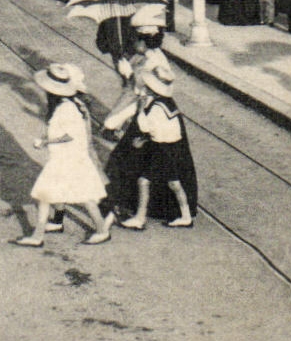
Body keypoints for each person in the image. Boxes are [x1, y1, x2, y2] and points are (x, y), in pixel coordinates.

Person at [14, 64, 112, 247]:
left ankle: (101, 231)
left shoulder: (66, 109)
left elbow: (69, 136)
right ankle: (44, 232)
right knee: (55, 195)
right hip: (69, 158)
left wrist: (45, 142)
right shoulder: (71, 104)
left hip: (68, 159)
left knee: (78, 197)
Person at [116, 68, 198, 230]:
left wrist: (140, 110)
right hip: (173, 148)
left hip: (162, 150)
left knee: (144, 181)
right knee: (174, 184)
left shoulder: (156, 108)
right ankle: (186, 216)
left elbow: (144, 126)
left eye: (147, 86)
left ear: (153, 89)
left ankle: (139, 218)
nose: (145, 88)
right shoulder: (168, 104)